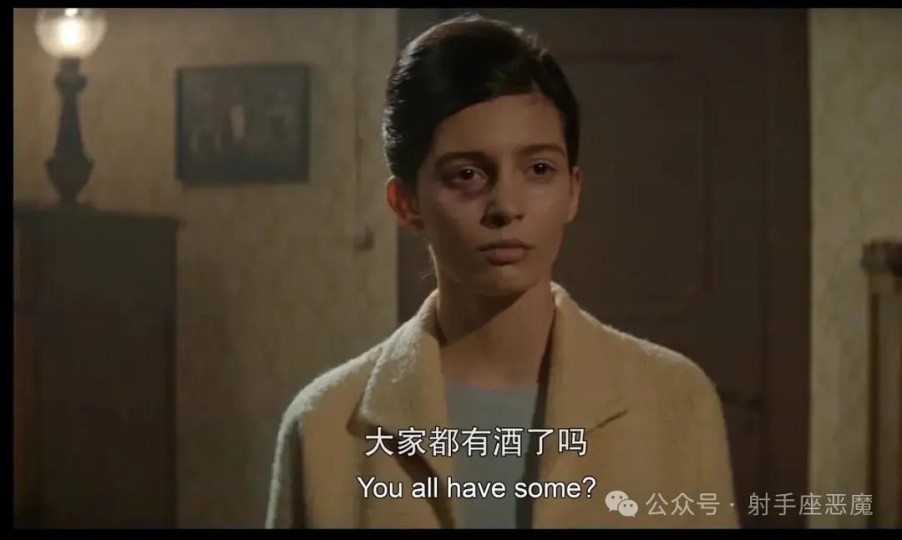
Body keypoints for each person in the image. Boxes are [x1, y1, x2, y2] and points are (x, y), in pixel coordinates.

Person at [265, 14, 739, 529]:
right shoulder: (325, 427)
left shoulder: (674, 400)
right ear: (406, 203)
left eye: (539, 169)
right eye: (467, 174)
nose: (507, 206)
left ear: (573, 190)